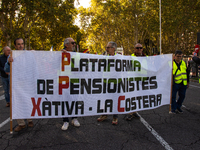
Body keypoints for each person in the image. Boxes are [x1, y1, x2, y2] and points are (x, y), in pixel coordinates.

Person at [5, 38, 34, 132]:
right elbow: (6, 69)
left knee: (28, 101)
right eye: (18, 44)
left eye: (22, 44)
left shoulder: (28, 54)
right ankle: (21, 123)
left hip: (27, 82)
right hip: (16, 84)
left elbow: (34, 66)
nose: (21, 45)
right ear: (15, 46)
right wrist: (9, 62)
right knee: (16, 103)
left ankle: (30, 120)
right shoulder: (11, 55)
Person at [61, 37, 80, 130]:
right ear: (66, 45)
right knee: (65, 101)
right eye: (72, 43)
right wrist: (60, 54)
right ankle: (65, 121)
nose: (74, 44)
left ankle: (74, 118)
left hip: (74, 81)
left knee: (74, 101)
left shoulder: (77, 55)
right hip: (64, 81)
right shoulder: (60, 54)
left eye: (74, 43)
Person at [97, 41, 118, 125]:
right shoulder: (105, 56)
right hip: (106, 81)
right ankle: (104, 114)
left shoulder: (119, 57)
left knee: (115, 99)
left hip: (116, 82)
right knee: (104, 99)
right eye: (106, 47)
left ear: (113, 48)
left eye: (108, 47)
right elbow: (99, 65)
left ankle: (115, 117)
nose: (106, 49)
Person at [125, 43, 146, 121]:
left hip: (142, 80)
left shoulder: (146, 57)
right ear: (134, 49)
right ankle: (130, 113)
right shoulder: (130, 57)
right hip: (133, 80)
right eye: (137, 48)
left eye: (140, 48)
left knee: (138, 97)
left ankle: (134, 112)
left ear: (142, 49)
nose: (139, 49)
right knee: (131, 97)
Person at [170, 50, 190, 114]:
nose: (179, 58)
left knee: (182, 96)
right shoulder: (171, 63)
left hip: (183, 83)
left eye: (180, 56)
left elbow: (187, 73)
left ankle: (178, 107)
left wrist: (188, 82)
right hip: (175, 82)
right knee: (173, 96)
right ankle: (173, 108)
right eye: (178, 56)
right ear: (174, 56)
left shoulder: (183, 63)